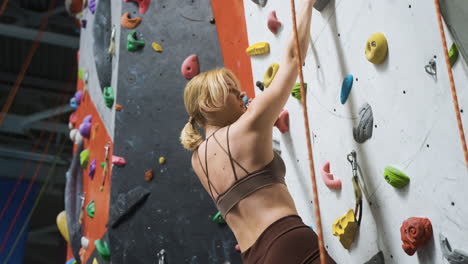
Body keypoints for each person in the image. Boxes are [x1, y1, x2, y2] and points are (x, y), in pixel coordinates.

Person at [180, 0, 335, 263]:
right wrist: (307, 4)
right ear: (208, 103)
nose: (241, 93)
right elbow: (293, 57)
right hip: (287, 242)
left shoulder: (197, 162)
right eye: (230, 89)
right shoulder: (249, 125)